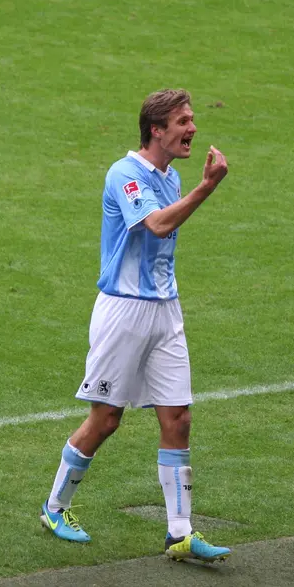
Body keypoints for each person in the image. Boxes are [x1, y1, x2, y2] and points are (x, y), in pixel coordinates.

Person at [40, 89, 231, 562]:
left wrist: (194, 187)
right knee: (106, 419)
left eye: (192, 119)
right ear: (156, 130)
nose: (192, 128)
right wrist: (206, 188)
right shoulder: (124, 174)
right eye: (183, 121)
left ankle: (179, 533)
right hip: (124, 311)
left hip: (167, 311)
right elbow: (158, 226)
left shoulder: (171, 176)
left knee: (178, 418)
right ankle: (55, 506)